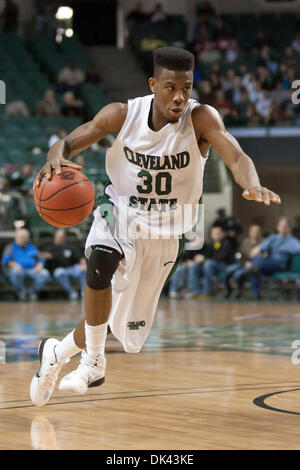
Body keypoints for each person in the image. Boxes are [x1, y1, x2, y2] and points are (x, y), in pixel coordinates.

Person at [30, 46, 280, 406]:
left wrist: (250, 183)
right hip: (121, 212)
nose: (179, 96)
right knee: (100, 259)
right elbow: (68, 141)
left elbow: (236, 154)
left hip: (167, 231)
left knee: (117, 325)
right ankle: (94, 364)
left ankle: (57, 352)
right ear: (153, 84)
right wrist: (56, 156)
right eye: (170, 87)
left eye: (187, 87)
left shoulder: (201, 119)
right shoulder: (121, 114)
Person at [249, 217, 300, 299]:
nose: (283, 228)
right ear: (277, 227)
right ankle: (256, 294)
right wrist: (254, 255)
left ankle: (255, 293)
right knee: (256, 261)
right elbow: (255, 251)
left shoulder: (292, 241)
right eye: (281, 225)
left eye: (285, 226)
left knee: (255, 267)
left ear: (288, 228)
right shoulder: (273, 238)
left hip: (279, 264)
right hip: (267, 262)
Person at [1, 228, 50, 301]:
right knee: (15, 272)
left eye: (25, 237)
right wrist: (14, 265)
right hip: (18, 269)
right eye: (21, 237)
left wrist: (40, 264)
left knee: (45, 274)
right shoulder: (10, 247)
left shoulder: (32, 246)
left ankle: (32, 292)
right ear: (16, 238)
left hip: (31, 270)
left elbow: (41, 257)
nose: (24, 239)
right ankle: (21, 292)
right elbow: (5, 260)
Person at [40, 230, 87, 300]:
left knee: (83, 270)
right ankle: (71, 292)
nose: (58, 239)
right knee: (58, 273)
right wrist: (45, 256)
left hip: (72, 268)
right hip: (61, 270)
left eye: (60, 237)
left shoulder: (70, 246)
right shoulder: (51, 247)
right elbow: (40, 255)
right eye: (57, 237)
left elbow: (80, 258)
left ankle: (84, 292)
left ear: (64, 238)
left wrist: (83, 265)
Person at [224, 224, 263, 298]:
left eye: (257, 231)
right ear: (250, 232)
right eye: (254, 231)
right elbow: (240, 254)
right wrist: (245, 262)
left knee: (238, 274)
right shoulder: (246, 241)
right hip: (243, 263)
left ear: (260, 232)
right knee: (228, 270)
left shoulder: (263, 242)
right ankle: (228, 290)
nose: (255, 233)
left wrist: (251, 263)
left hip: (254, 265)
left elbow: (264, 256)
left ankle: (239, 292)